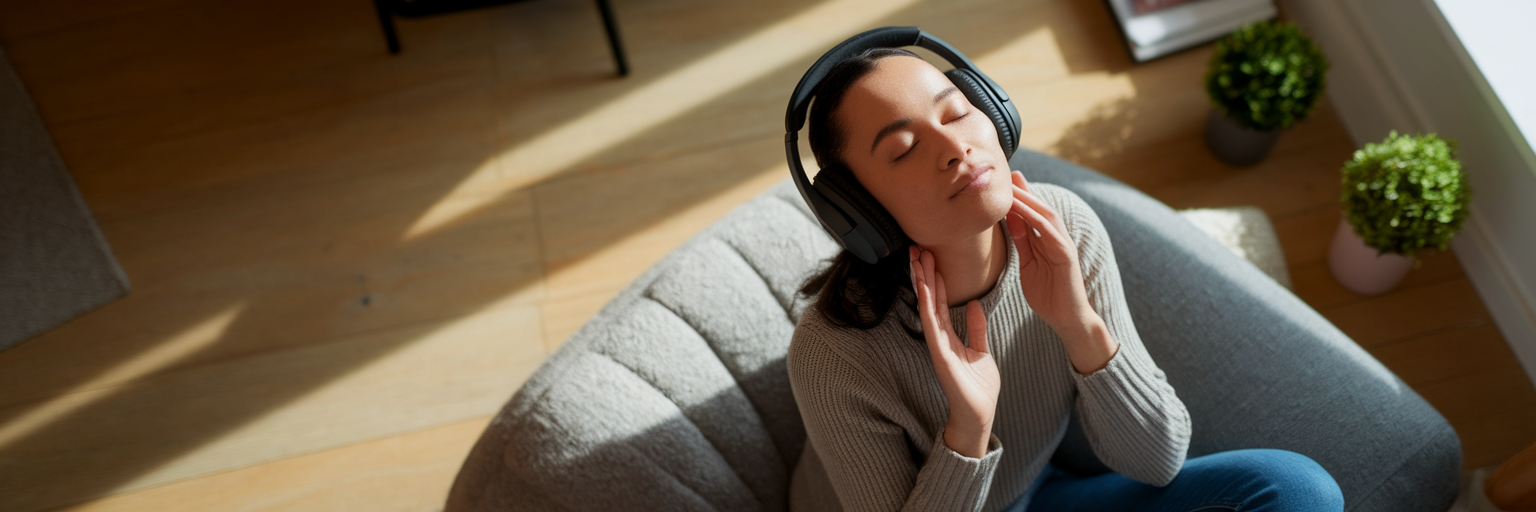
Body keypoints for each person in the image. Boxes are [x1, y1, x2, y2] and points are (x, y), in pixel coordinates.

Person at [785, 45, 1346, 512]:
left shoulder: (1064, 226)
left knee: (1297, 491)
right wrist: (968, 432)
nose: (956, 148)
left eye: (956, 113)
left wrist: (1079, 326)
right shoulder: (834, 355)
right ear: (857, 208)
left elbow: (1158, 461)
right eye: (905, 149)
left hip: (1039, 492)